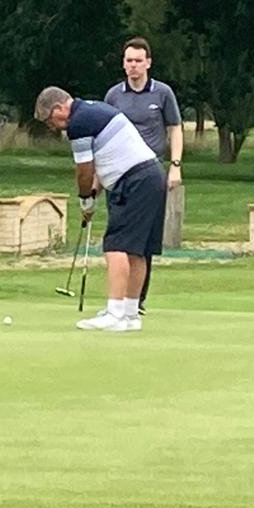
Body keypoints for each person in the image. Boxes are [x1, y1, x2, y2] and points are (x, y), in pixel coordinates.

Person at [34, 86, 167, 332]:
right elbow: (104, 163)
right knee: (136, 250)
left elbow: (84, 170)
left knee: (116, 245)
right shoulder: (93, 110)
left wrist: (85, 198)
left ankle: (115, 313)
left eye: (50, 120)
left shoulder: (78, 123)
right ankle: (130, 315)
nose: (52, 127)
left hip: (135, 180)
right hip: (151, 176)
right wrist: (94, 193)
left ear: (59, 108)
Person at [103, 37, 183, 314]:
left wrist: (175, 165)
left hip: (150, 173)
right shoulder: (114, 95)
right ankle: (118, 300)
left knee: (143, 239)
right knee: (118, 238)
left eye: (138, 61)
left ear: (148, 63)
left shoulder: (162, 93)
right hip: (119, 174)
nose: (133, 66)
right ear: (123, 64)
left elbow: (174, 128)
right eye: (129, 61)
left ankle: (136, 301)